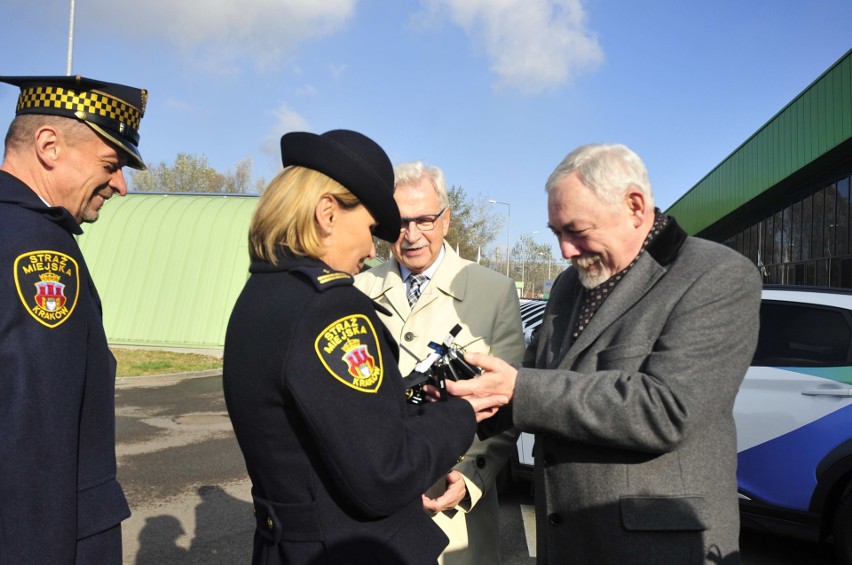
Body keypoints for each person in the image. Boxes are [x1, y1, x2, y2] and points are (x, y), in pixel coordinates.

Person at [448, 143, 762, 564]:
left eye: (576, 230)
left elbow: (667, 409)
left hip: (656, 548)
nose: (564, 250)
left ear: (635, 207)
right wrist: (476, 397)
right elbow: (536, 379)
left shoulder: (716, 276)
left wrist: (519, 388)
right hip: (567, 543)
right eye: (556, 232)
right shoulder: (566, 287)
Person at [222, 130, 504, 565]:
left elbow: (329, 418)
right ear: (328, 213)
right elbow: (382, 474)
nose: (373, 248)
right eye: (373, 228)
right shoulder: (330, 306)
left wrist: (410, 405)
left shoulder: (260, 294)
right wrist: (460, 414)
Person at [0, 75, 148, 563]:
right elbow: (36, 440)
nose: (121, 185)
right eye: (111, 164)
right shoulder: (40, 249)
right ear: (48, 146)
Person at [354, 161, 525, 564]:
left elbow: (508, 405)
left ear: (446, 220)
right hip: (373, 507)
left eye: (425, 220)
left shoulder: (494, 291)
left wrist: (471, 476)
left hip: (452, 510)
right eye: (399, 223)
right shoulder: (356, 290)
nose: (411, 236)